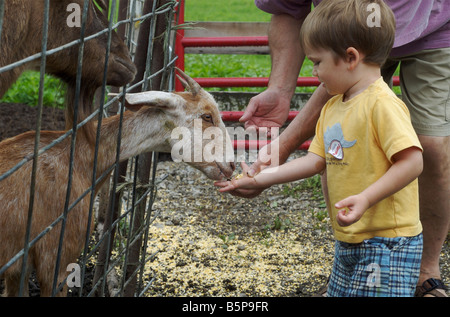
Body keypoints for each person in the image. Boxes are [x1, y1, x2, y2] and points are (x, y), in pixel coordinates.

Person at [232, 0, 449, 297]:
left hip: (388, 245)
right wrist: (260, 178)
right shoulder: (335, 106)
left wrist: (365, 198)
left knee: (433, 145)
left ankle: (426, 272)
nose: (314, 73)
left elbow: (413, 163)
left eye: (317, 62)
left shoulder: (383, 106)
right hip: (350, 238)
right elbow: (315, 160)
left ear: (350, 58)